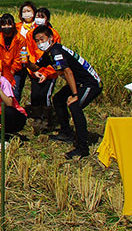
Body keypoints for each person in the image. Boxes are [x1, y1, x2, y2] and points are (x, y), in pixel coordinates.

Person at [30, 26, 103, 159]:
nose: (40, 43)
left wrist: (74, 95)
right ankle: (66, 132)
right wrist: (25, 63)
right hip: (77, 82)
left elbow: (68, 72)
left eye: (42, 39)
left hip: (90, 84)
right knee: (58, 99)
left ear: (51, 38)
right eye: (37, 41)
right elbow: (36, 67)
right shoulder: (49, 53)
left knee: (74, 106)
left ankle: (82, 147)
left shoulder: (56, 51)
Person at [26, 7, 62, 125]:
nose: (39, 19)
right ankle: (37, 117)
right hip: (36, 70)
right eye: (37, 16)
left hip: (50, 72)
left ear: (47, 19)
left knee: (45, 94)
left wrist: (46, 73)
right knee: (35, 94)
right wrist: (33, 70)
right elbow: (29, 53)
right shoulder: (31, 34)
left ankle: (47, 118)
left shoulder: (54, 35)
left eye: (42, 17)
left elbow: (55, 58)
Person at [0, 13, 24, 90]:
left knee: (15, 91)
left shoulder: (20, 39)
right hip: (1, 69)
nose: (6, 27)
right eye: (4, 25)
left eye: (9, 24)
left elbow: (19, 58)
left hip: (15, 70)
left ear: (13, 25)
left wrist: (12, 72)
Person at [13, 1, 38, 102]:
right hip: (19, 61)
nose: (26, 13)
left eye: (29, 11)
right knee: (16, 88)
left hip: (33, 62)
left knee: (36, 90)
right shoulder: (17, 27)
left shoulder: (38, 27)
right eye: (24, 11)